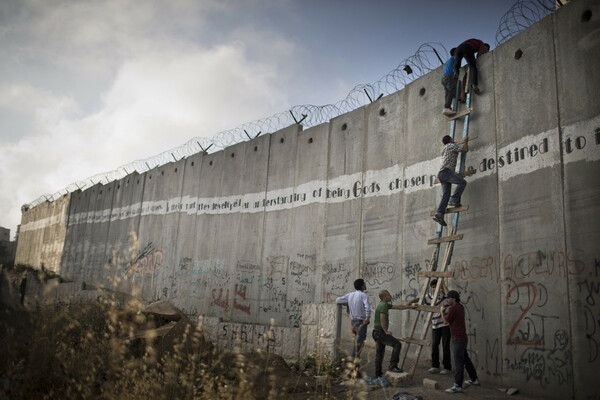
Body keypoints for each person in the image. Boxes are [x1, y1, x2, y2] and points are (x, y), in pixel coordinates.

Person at [408, 279, 452, 374]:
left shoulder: (444, 296)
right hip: (435, 325)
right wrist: (412, 301)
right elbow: (421, 300)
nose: (434, 288)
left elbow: (449, 295)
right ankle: (435, 365)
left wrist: (443, 284)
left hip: (445, 324)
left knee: (445, 346)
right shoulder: (429, 297)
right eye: (432, 287)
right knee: (435, 345)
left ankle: (447, 367)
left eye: (436, 286)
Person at [440, 290, 480, 393]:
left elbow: (445, 321)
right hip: (462, 338)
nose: (447, 300)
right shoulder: (460, 307)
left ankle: (458, 385)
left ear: (454, 298)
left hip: (458, 339)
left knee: (459, 362)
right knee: (465, 359)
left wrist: (442, 312)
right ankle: (474, 379)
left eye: (448, 298)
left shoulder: (453, 308)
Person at [372, 289, 417, 379]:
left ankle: (378, 374)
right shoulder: (384, 305)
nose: (390, 296)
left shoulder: (383, 304)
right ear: (384, 297)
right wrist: (386, 331)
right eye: (388, 295)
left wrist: (408, 307)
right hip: (380, 332)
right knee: (397, 344)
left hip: (376, 333)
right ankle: (393, 366)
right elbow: (382, 319)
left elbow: (397, 307)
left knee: (379, 354)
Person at [432, 135, 469, 227]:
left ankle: (439, 214)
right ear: (450, 140)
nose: (454, 140)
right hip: (447, 172)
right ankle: (454, 199)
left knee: (446, 195)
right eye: (452, 138)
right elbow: (465, 149)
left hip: (441, 174)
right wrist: (465, 141)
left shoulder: (444, 148)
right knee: (462, 182)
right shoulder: (451, 145)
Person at [336, 279, 371, 364]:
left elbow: (338, 300)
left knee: (356, 344)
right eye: (364, 284)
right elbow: (368, 308)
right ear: (362, 286)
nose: (365, 285)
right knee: (358, 346)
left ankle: (355, 368)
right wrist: (367, 319)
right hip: (361, 322)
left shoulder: (350, 295)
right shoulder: (363, 295)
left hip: (353, 322)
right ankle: (352, 367)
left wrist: (348, 303)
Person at [442, 48, 457, 116]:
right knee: (451, 91)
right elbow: (457, 68)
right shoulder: (454, 58)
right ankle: (447, 107)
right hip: (448, 77)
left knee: (447, 93)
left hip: (444, 78)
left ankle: (447, 108)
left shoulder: (449, 60)